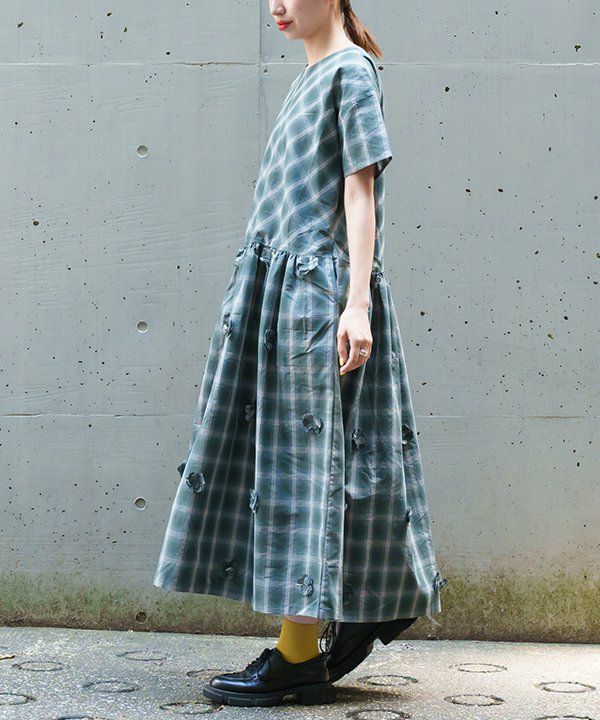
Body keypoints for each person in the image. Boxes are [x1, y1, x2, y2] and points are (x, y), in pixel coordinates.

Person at [153, 0, 448, 708]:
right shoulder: (310, 78)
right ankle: (377, 602)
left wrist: (356, 303)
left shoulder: (350, 71)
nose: (277, 6)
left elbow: (360, 189)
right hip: (285, 295)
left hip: (315, 299)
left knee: (301, 472)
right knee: (330, 462)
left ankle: (296, 656)